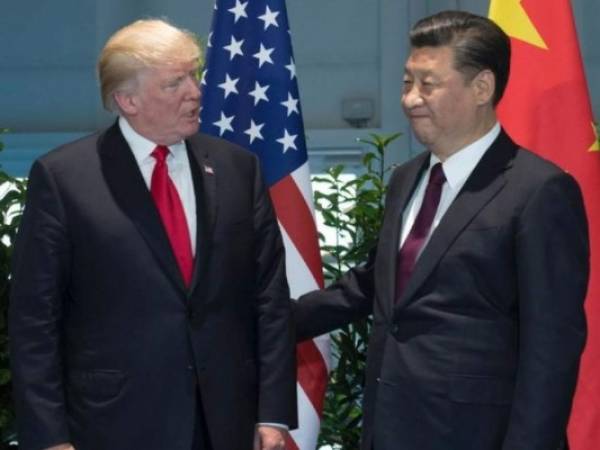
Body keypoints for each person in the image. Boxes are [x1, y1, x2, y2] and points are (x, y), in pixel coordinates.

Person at [294, 10, 589, 450]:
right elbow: (372, 286)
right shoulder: (405, 179)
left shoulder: (540, 191)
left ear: (482, 88)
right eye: (406, 83)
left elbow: (551, 351)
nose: (411, 98)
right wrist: (261, 318)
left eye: (428, 84)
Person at [9, 19, 296, 450]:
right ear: (127, 100)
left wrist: (273, 412)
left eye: (193, 75)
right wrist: (49, 436)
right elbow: (35, 320)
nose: (195, 92)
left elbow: (269, 298)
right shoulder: (65, 177)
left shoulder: (240, 167)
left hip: (226, 421)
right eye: (174, 83)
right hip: (114, 423)